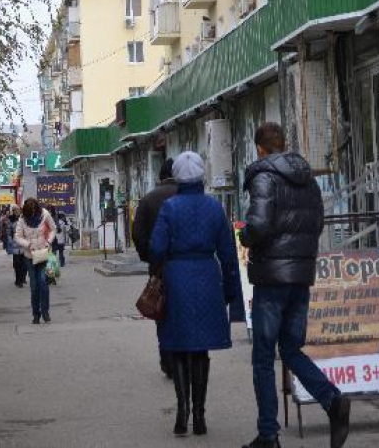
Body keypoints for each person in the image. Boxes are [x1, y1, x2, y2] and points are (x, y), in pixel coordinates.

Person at [240, 123, 351, 448]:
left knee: (263, 355)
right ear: (283, 145)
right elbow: (317, 224)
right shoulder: (307, 180)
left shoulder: (263, 176)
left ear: (261, 148)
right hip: (300, 275)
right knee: (290, 348)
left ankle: (268, 434)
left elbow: (258, 225)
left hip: (272, 278)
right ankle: (332, 399)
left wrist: (244, 235)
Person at [149, 152, 239, 437]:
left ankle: (182, 412)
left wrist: (159, 268)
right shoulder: (214, 207)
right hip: (207, 278)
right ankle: (200, 416)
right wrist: (230, 290)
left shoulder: (170, 208)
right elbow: (227, 252)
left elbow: (156, 248)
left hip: (176, 278)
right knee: (200, 348)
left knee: (177, 344)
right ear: (202, 176)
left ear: (177, 176)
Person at [132, 158, 178, 378]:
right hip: (187, 266)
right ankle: (185, 358)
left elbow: (138, 233)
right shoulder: (188, 197)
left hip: (159, 267)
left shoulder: (149, 199)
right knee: (185, 312)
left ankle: (167, 361)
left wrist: (148, 257)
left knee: (162, 312)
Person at [14, 198, 57, 324]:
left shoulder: (45, 214)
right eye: (29, 213)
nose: (32, 215)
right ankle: (36, 314)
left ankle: (45, 312)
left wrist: (48, 242)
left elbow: (53, 229)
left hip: (43, 254)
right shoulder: (22, 220)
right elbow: (17, 236)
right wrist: (27, 244)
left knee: (43, 283)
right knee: (34, 287)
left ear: (37, 209)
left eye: (33, 212)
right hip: (30, 256)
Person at [5, 206, 27, 287]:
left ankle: (21, 278)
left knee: (24, 264)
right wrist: (11, 241)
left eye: (18, 211)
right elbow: (8, 232)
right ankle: (18, 280)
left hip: (24, 245)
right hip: (15, 245)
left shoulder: (24, 220)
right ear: (13, 212)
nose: (17, 212)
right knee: (16, 264)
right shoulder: (10, 220)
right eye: (15, 211)